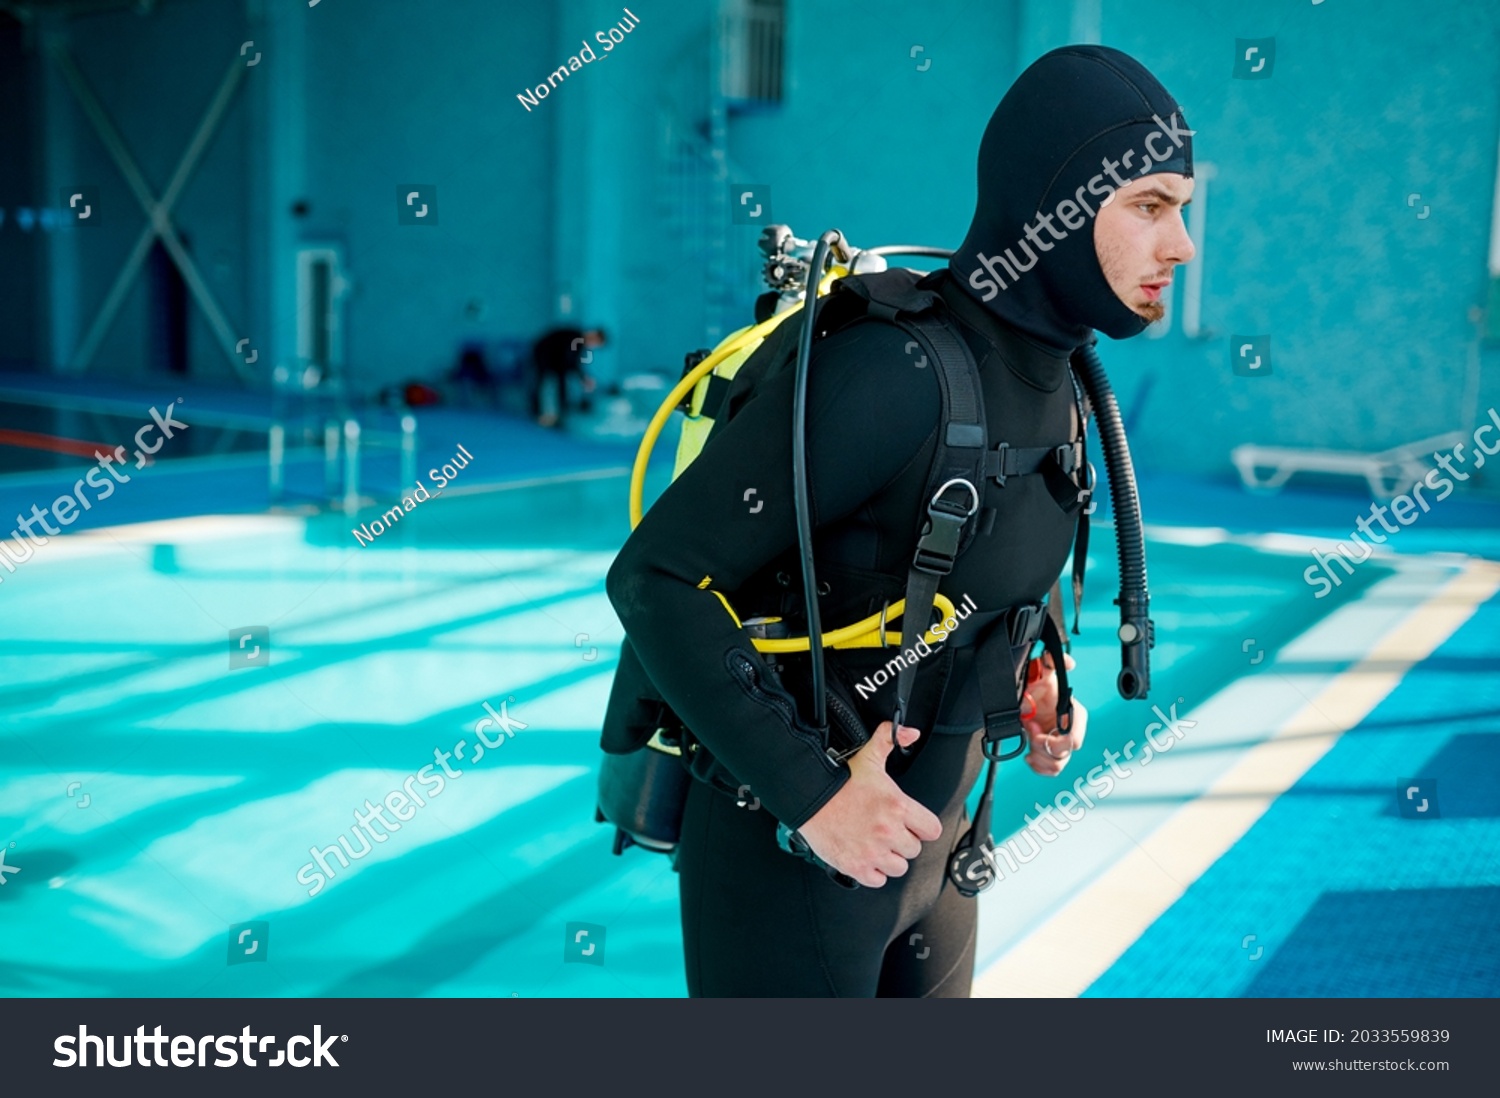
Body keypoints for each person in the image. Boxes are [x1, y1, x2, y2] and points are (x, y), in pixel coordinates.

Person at [605, 45, 1196, 997]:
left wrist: (1036, 672)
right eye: (1149, 206)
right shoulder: (891, 373)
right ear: (1053, 204)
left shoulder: (1067, 383)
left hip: (940, 853)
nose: (1181, 245)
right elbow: (655, 578)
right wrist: (818, 796)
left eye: (1182, 209)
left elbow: (987, 559)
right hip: (793, 861)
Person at [530, 326, 604, 427]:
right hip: (544, 353)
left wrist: (582, 377)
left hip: (555, 357)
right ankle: (542, 414)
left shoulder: (578, 340)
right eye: (596, 343)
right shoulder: (576, 339)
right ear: (594, 337)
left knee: (560, 380)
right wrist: (583, 378)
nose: (593, 346)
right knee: (545, 382)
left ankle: (558, 413)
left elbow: (571, 362)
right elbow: (570, 361)